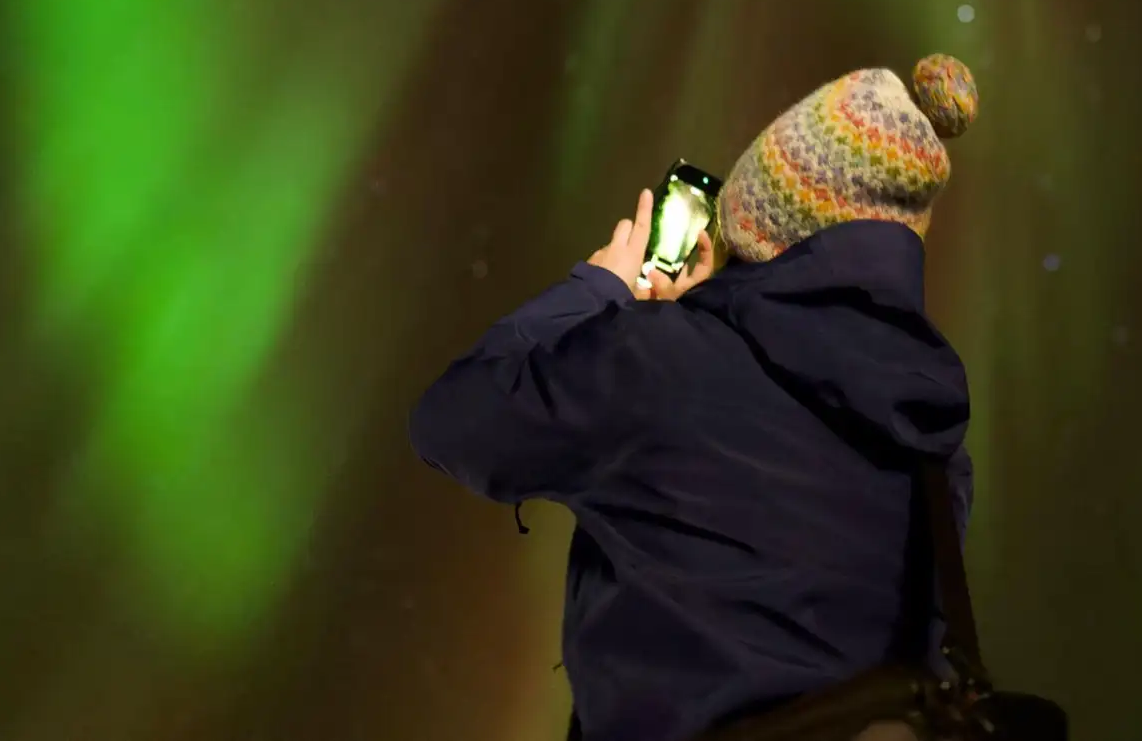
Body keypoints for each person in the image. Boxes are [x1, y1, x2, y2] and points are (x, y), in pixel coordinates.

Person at [409, 54, 983, 741]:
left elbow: (455, 419)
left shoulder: (661, 363)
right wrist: (707, 321)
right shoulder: (933, 443)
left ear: (759, 219)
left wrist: (597, 292)